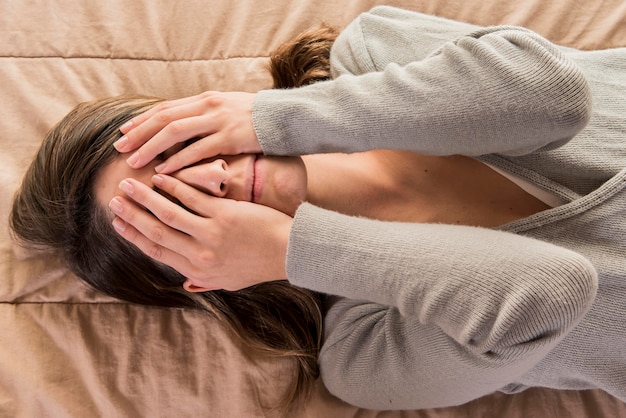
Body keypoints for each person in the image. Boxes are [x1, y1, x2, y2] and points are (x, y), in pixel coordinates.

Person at [10, 5, 624, 410]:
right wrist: (290, 249)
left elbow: (553, 96)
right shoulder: (365, 357)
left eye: (177, 153)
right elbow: (550, 290)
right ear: (201, 273)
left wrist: (279, 118)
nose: (213, 179)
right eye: (173, 207)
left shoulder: (372, 54)